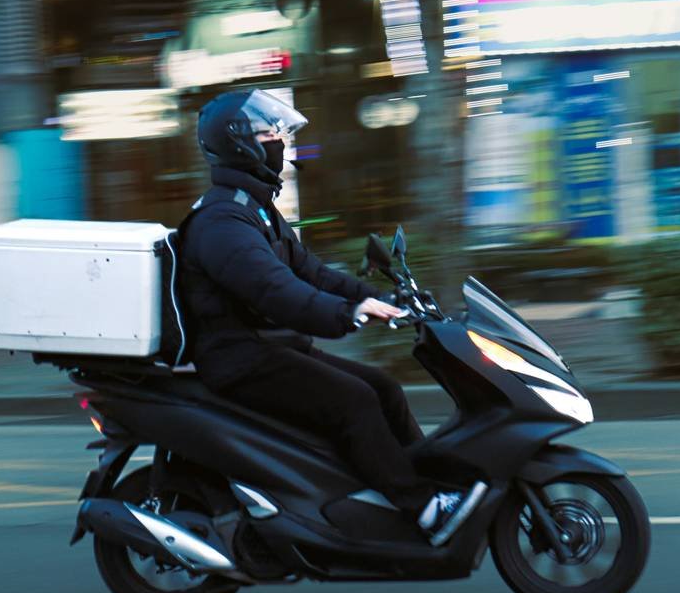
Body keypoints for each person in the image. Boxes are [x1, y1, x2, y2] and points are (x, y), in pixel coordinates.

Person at [178, 89, 479, 545]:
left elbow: (311, 272)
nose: (279, 141)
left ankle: (422, 484)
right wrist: (346, 314)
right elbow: (275, 291)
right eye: (268, 133)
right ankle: (423, 508)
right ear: (239, 143)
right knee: (354, 401)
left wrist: (380, 297)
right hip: (241, 360)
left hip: (268, 349)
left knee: (384, 388)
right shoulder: (223, 221)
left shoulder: (256, 208)